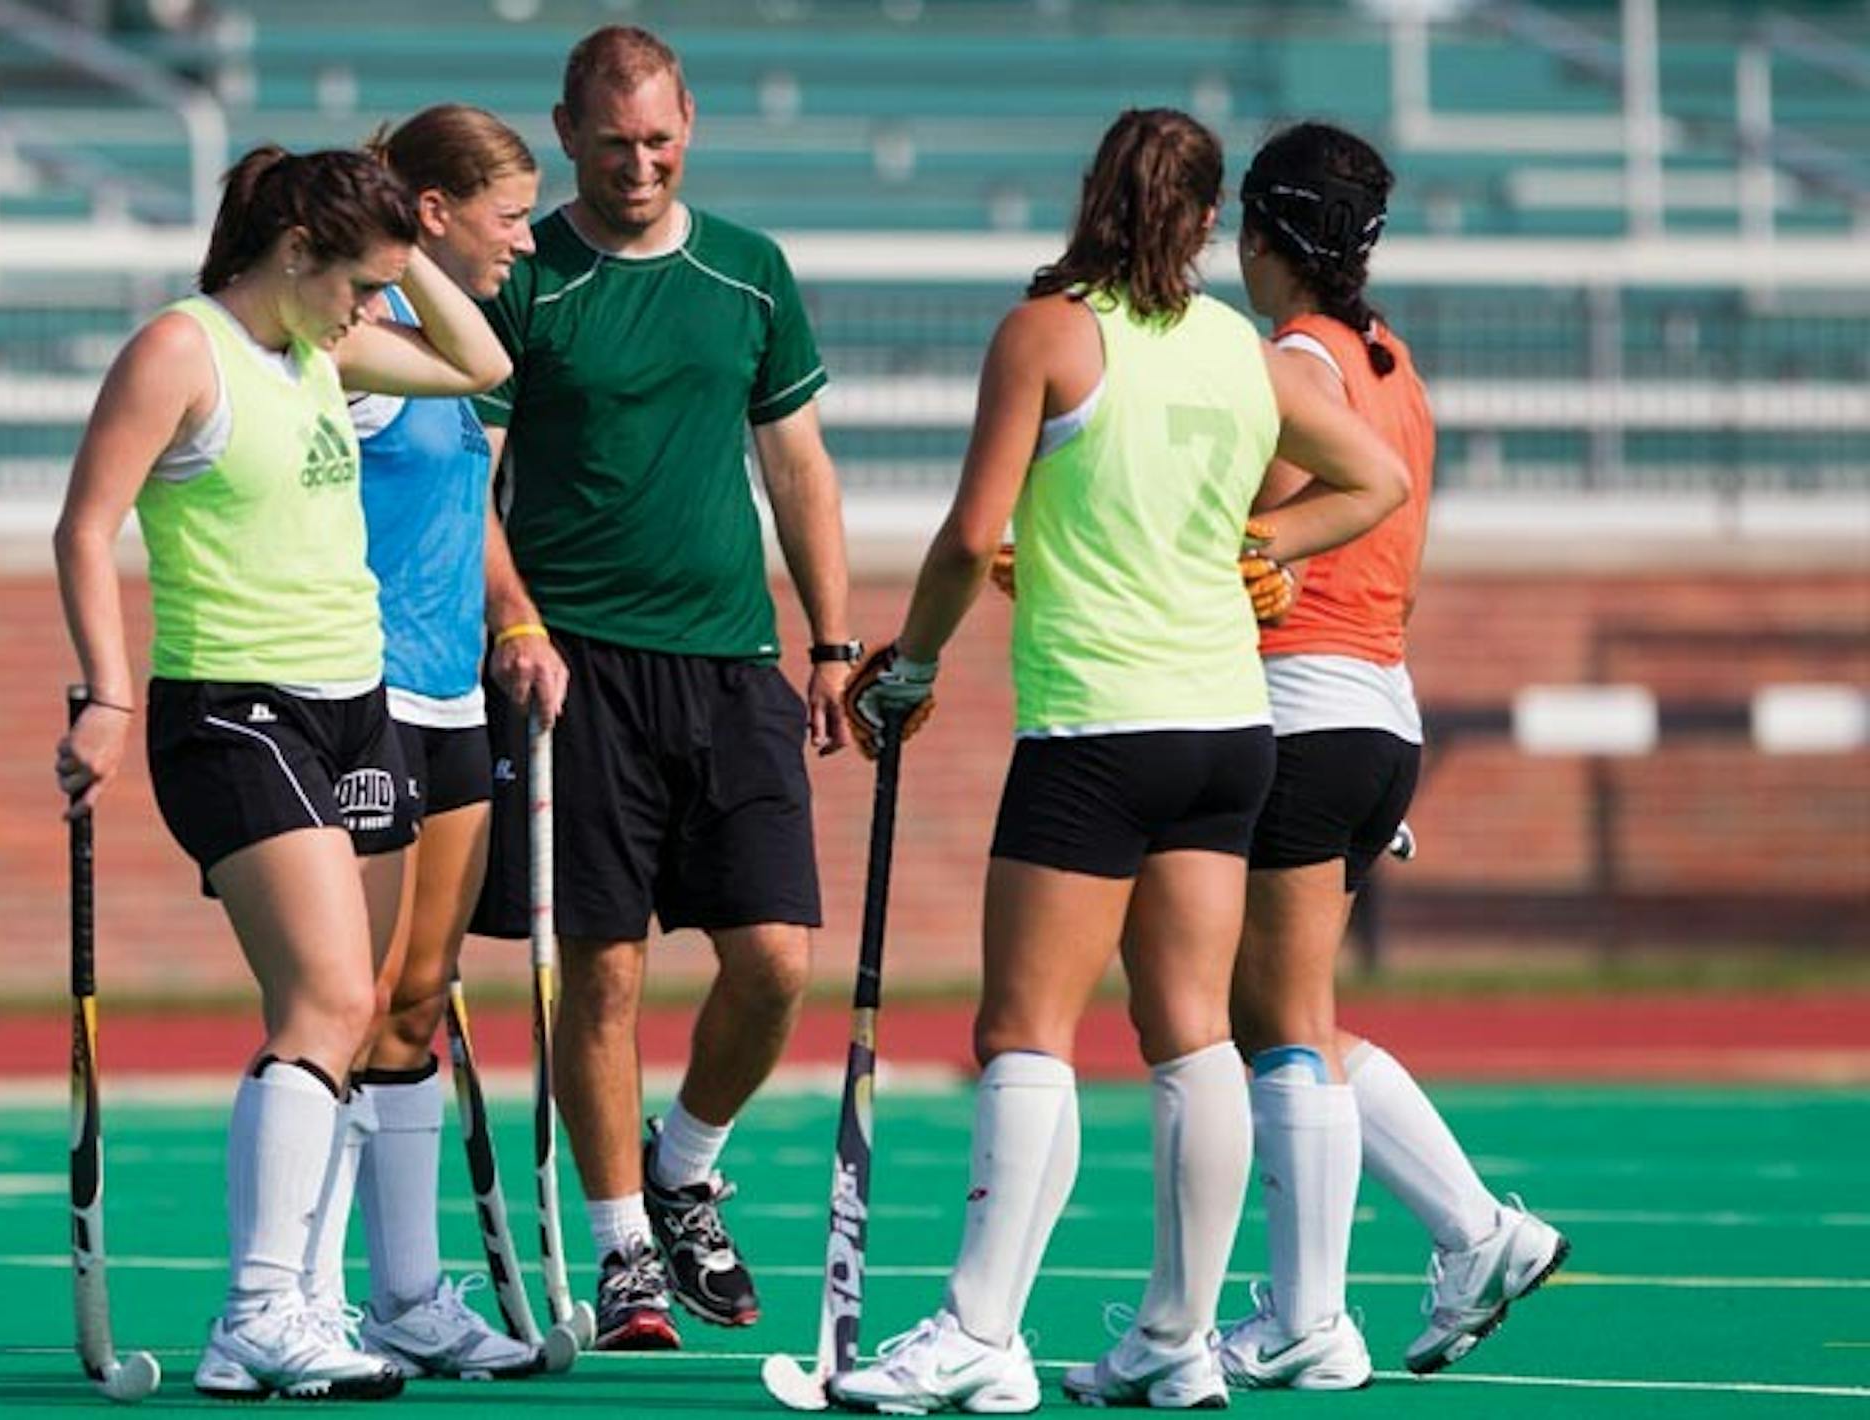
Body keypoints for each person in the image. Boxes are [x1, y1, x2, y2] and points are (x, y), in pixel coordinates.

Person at [829, 107, 1410, 1415]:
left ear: (1094, 192)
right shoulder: (1239, 349)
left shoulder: (1048, 331)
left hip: (1096, 727)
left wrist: (909, 662)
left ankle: (982, 1333)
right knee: (1189, 1033)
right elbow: (1374, 479)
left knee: (1023, 1029)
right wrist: (1262, 550)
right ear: (1204, 220)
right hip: (1227, 732)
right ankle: (1174, 1340)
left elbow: (967, 533)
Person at [53, 145, 511, 1402]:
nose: (373, 310)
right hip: (232, 710)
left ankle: (297, 1299)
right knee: (325, 999)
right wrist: (107, 692)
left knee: (353, 1010)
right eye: (358, 284)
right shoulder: (181, 350)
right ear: (295, 251)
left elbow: (482, 365)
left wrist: (400, 244)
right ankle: (257, 1312)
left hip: (356, 705)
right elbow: (85, 525)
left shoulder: (323, 347)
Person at [472, 24, 855, 1351]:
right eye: (613, 143)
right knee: (605, 973)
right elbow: (469, 484)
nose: (639, 165)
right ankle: (624, 1248)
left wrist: (831, 641)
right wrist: (516, 620)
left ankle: (683, 1164)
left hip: (733, 664)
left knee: (777, 959)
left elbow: (796, 466)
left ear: (688, 125)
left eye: (659, 141)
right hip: (575, 672)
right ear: (566, 133)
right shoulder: (527, 278)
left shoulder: (748, 271)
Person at [1217, 121, 1568, 1389]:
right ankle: (1472, 1234)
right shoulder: (1393, 364)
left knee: (1275, 1027)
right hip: (1375, 712)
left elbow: (1244, 535)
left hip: (1300, 706)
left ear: (1261, 234)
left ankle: (1312, 1311)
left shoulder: (1287, 365)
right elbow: (1395, 565)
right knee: (1279, 1014)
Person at [300, 104, 550, 1382]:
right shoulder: (359, 341)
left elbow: (469, 509)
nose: (526, 239)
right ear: (435, 213)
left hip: (454, 696)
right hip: (368, 695)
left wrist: (516, 616)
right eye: (510, 215)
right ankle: (300, 1294)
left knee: (417, 998)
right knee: (340, 1000)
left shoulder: (443, 357)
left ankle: (404, 1296)